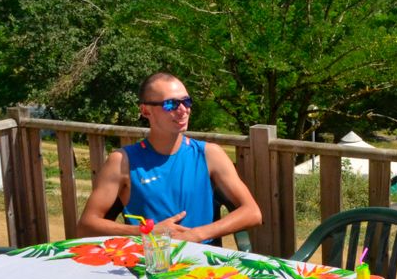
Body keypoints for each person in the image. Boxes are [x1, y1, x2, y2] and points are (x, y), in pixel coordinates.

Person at [76, 72, 262, 242]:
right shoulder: (122, 161)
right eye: (170, 104)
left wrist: (197, 234)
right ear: (146, 111)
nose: (182, 110)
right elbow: (86, 226)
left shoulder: (209, 154)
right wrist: (147, 231)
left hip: (201, 262)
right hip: (149, 261)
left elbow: (252, 212)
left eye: (186, 102)